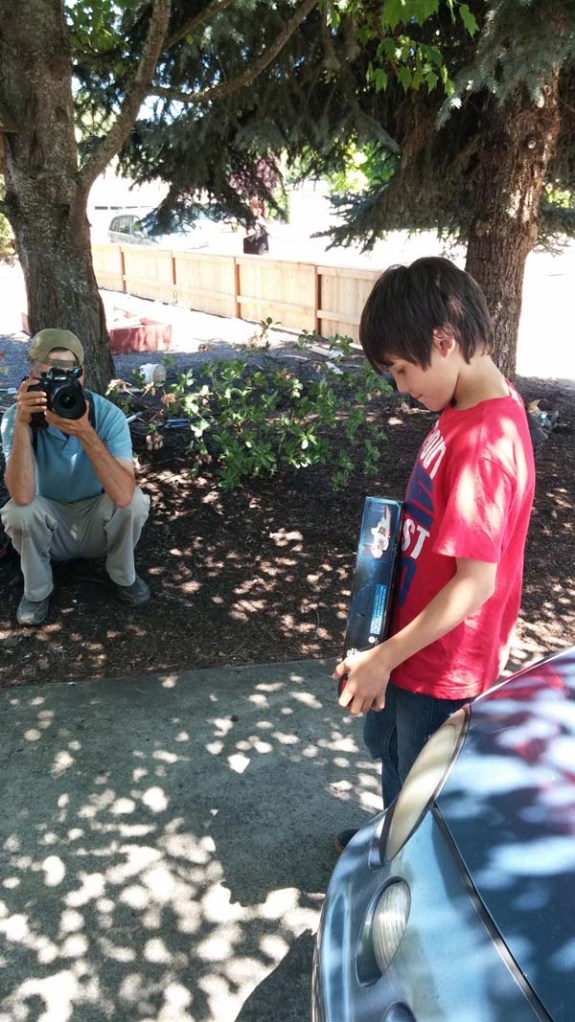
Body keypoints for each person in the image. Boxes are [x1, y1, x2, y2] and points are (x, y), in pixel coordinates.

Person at [333, 257, 535, 852]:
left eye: (401, 369)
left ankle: (397, 873)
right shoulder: (459, 407)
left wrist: (383, 659)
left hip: (439, 664)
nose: (400, 387)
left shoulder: (486, 445)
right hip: (408, 645)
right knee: (392, 757)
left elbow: (475, 584)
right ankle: (387, 835)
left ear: (443, 342)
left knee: (424, 791)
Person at [1, 328, 151, 626]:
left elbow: (123, 495)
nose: (58, 386)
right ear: (32, 376)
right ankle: (37, 591)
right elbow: (22, 496)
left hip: (97, 523)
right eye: (48, 375)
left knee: (134, 501)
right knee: (18, 511)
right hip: (50, 528)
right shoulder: (16, 418)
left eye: (67, 376)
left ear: (81, 375)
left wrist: (84, 431)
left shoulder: (107, 415)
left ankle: (124, 576)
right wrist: (21, 425)